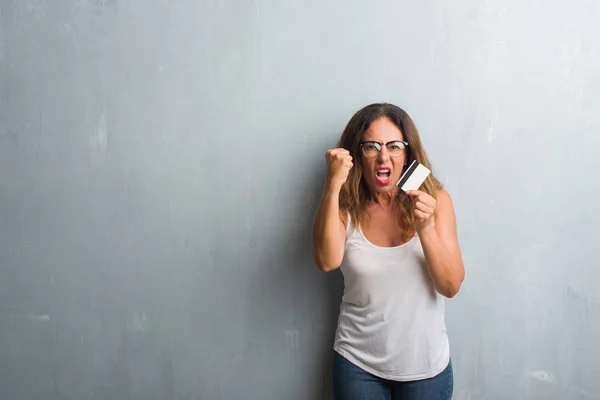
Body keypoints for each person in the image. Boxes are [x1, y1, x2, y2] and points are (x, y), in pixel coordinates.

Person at [312, 103, 465, 400]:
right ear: (357, 154)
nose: (384, 156)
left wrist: (425, 229)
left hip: (425, 369)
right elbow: (326, 261)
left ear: (408, 154)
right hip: (358, 364)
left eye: (394, 146)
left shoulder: (437, 200)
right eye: (372, 146)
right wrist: (332, 185)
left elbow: (450, 285)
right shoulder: (345, 205)